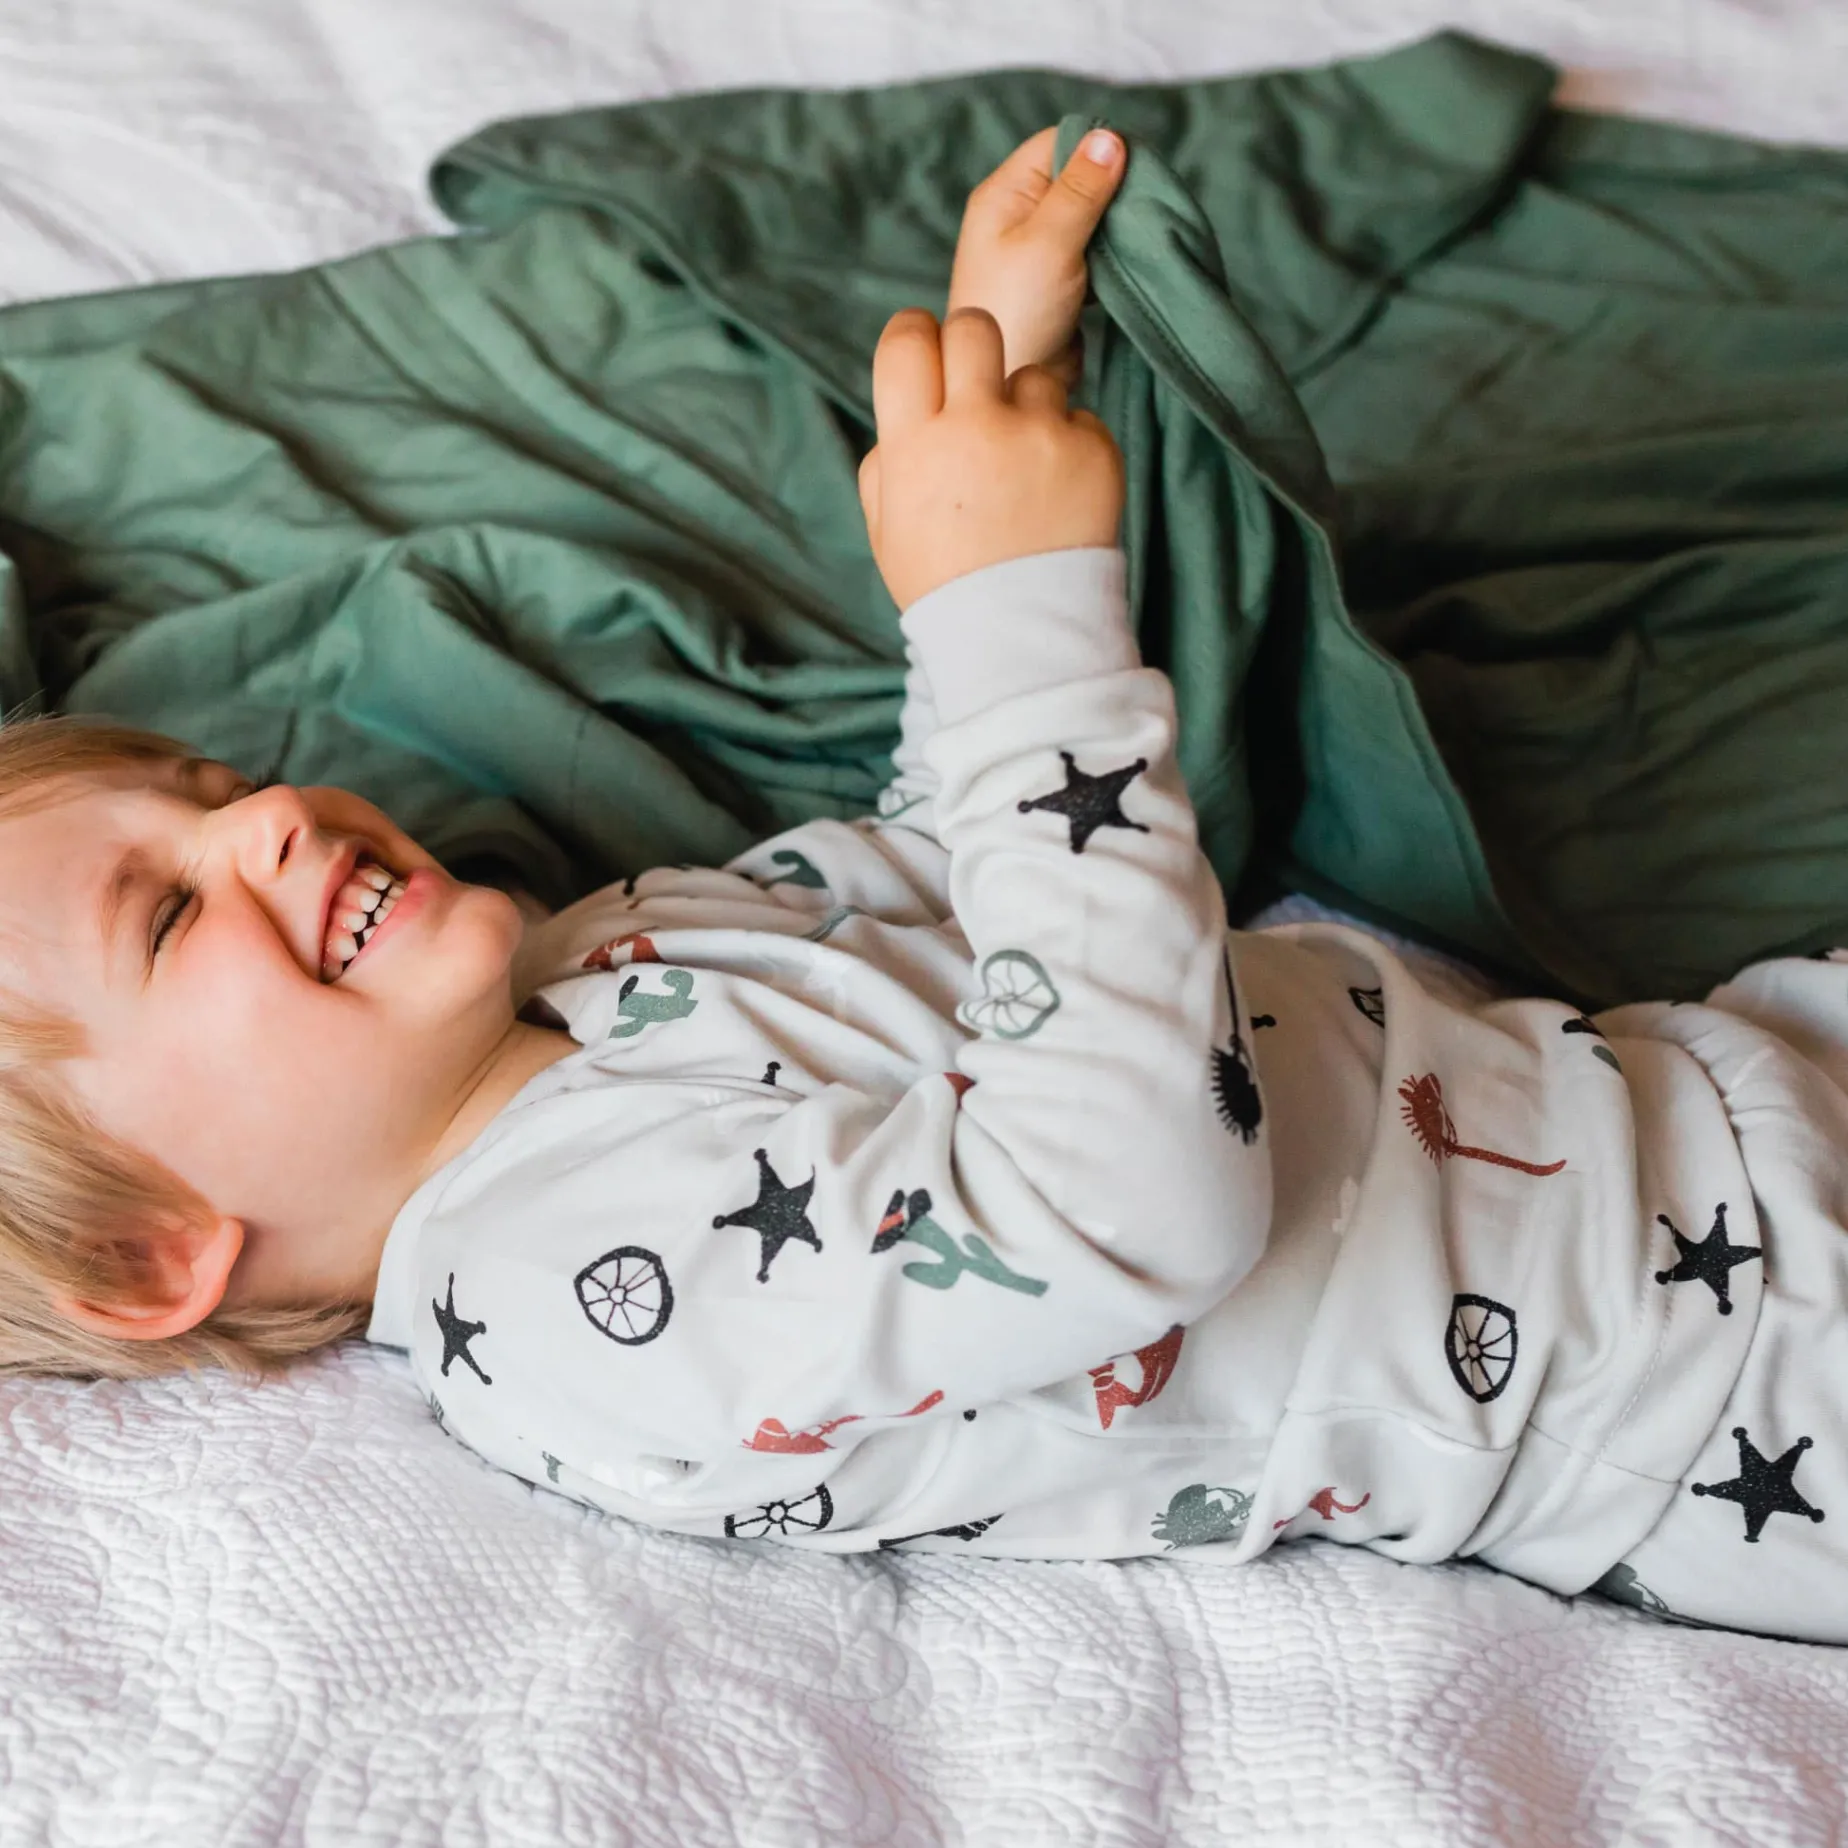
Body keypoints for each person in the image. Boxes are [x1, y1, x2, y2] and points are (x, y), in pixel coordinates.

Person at [0, 126, 1840, 1643]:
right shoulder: (559, 1310)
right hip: (1727, 1386)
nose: (264, 820)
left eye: (209, 788)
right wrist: (1017, 620)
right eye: (167, 915)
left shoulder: (600, 955)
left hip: (1716, 1087)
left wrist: (993, 441)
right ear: (151, 1252)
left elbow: (957, 860)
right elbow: (1118, 1199)